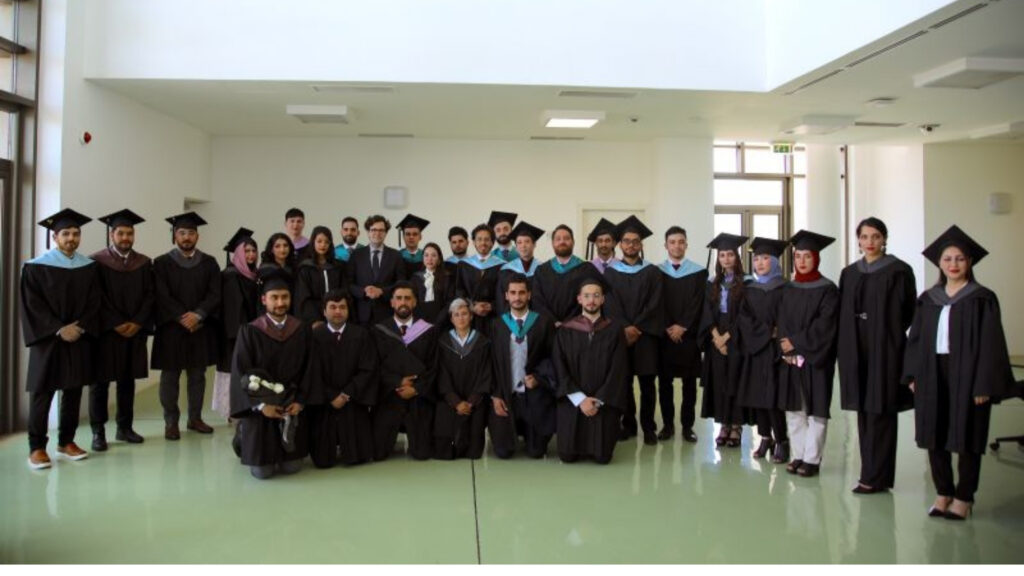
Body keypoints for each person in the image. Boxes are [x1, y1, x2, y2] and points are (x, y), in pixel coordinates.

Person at [904, 225, 1015, 520]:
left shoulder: (981, 298)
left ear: (969, 262)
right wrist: (913, 375)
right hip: (932, 372)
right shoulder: (929, 298)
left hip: (970, 373)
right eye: (947, 259)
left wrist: (984, 385)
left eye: (960, 259)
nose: (953, 264)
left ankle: (964, 497)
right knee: (934, 433)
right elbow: (916, 339)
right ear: (939, 263)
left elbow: (992, 344)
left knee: (969, 435)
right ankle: (943, 493)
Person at [837, 217, 917, 494]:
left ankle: (875, 477)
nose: (870, 242)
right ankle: (869, 473)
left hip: (885, 348)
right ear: (858, 240)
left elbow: (908, 312)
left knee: (881, 409)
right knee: (864, 409)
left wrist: (885, 333)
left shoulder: (899, 270)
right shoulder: (850, 273)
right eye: (864, 237)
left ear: (884, 239)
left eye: (876, 236)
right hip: (855, 347)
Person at [22, 209, 100, 469]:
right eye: (65, 234)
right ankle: (36, 447)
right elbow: (32, 305)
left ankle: (66, 442)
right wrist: (58, 329)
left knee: (73, 390)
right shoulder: (36, 267)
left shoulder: (88, 267)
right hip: (48, 339)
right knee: (42, 392)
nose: (71, 238)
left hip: (78, 336)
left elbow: (95, 302)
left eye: (76, 233)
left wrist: (80, 327)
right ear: (55, 237)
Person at [230, 267, 311, 479]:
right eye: (274, 297)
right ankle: (242, 434)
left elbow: (310, 368)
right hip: (261, 408)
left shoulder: (301, 330)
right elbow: (240, 372)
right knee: (262, 473)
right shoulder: (250, 331)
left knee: (292, 468)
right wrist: (260, 406)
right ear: (264, 300)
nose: (280, 303)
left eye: (285, 297)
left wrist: (300, 401)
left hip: (290, 404)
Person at [88, 209, 153, 451]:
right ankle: (98, 432)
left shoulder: (143, 263)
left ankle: (124, 428)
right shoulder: (96, 262)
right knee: (100, 384)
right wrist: (115, 322)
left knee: (127, 381)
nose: (126, 238)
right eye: (121, 233)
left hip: (134, 331)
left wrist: (137, 322)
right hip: (106, 332)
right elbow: (95, 297)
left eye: (130, 233)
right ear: (111, 234)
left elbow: (150, 295)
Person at [152, 212, 221, 440]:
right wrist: (183, 317)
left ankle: (195, 418)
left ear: (197, 236)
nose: (187, 237)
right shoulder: (162, 263)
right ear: (175, 236)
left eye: (191, 233)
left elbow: (215, 294)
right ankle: (171, 422)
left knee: (198, 375)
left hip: (199, 327)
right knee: (170, 377)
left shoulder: (209, 263)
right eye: (182, 233)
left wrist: (198, 315)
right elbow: (161, 295)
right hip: (172, 328)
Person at [776, 230, 839, 478]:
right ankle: (798, 455)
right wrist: (786, 347)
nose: (802, 261)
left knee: (817, 410)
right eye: (798, 256)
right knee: (794, 409)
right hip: (791, 357)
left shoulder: (828, 289)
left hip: (817, 358)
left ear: (816, 258)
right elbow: (782, 319)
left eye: (807, 256)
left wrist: (796, 342)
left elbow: (826, 324)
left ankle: (812, 459)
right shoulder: (789, 288)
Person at [553, 277, 630, 464]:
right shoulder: (566, 330)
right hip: (573, 401)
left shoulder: (614, 330)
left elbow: (618, 369)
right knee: (567, 456)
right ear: (579, 299)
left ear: (603, 299)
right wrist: (580, 399)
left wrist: (598, 400)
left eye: (596, 296)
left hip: (603, 402)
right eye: (587, 296)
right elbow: (559, 367)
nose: (591, 300)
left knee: (602, 457)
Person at [603, 216, 663, 445]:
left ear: (641, 244)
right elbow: (610, 304)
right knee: (624, 382)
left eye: (635, 241)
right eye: (626, 241)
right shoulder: (610, 273)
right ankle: (628, 424)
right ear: (620, 244)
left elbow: (655, 303)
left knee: (647, 384)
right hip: (622, 335)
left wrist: (636, 326)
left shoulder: (652, 272)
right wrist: (625, 327)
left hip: (646, 336)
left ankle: (648, 427)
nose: (630, 245)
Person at [304, 289, 379, 468]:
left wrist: (346, 394)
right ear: (324, 311)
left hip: (352, 399)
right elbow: (311, 372)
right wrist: (331, 395)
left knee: (357, 457)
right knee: (323, 462)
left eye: (342, 307)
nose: (338, 311)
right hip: (324, 401)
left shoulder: (361, 335)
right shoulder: (314, 336)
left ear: (348, 310)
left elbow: (368, 369)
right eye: (333, 307)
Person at [488, 273, 557, 459]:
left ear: (529, 295)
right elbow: (491, 362)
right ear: (506, 296)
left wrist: (539, 379)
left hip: (533, 394)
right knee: (503, 452)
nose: (517, 297)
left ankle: (529, 432)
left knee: (536, 452)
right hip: (506, 393)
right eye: (513, 293)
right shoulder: (497, 325)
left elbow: (552, 358)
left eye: (521, 293)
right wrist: (495, 395)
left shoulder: (543, 323)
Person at [371, 281, 438, 461]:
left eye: (407, 298)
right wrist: (397, 382)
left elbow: (434, 366)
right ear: (392, 302)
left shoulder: (428, 330)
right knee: (378, 453)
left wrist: (415, 389)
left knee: (422, 454)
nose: (403, 302)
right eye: (399, 298)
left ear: (414, 302)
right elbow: (374, 366)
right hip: (389, 395)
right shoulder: (379, 330)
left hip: (419, 396)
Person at [737, 237, 790, 462]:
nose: (759, 263)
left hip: (777, 352)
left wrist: (779, 332)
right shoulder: (750, 289)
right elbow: (743, 317)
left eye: (765, 258)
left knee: (773, 398)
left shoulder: (786, 288)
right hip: (756, 349)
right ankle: (765, 437)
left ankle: (782, 440)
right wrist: (767, 332)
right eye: (756, 259)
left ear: (776, 261)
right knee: (758, 396)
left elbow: (790, 315)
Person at [656, 226, 708, 443]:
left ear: (686, 244)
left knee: (689, 384)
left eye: (680, 242)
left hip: (689, 336)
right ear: (666, 245)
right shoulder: (657, 272)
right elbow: (656, 302)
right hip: (665, 336)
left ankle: (688, 426)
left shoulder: (699, 273)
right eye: (672, 242)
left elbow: (699, 303)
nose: (676, 246)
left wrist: (683, 326)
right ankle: (667, 425)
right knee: (664, 384)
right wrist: (669, 327)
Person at [699, 233, 750, 449]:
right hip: (716, 336)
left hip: (737, 338)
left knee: (735, 381)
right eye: (722, 255)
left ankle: (736, 426)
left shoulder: (747, 283)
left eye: (730, 254)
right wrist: (716, 337)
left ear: (737, 257)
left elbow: (746, 314)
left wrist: (727, 337)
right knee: (719, 381)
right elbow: (706, 312)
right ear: (718, 259)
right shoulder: (712, 283)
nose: (726, 259)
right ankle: (723, 425)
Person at [434, 299, 493, 460]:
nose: (461, 318)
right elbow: (441, 374)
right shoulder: (443, 342)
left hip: (475, 401)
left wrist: (471, 402)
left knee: (474, 453)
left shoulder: (482, 342)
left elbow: (485, 374)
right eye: (457, 315)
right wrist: (455, 401)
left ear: (471, 316)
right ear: (451, 319)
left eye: (464, 314)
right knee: (445, 453)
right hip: (449, 400)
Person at [214, 228, 260, 422]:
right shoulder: (231, 275)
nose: (251, 255)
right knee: (233, 370)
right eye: (246, 251)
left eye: (253, 250)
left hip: (248, 331)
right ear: (238, 254)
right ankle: (232, 410)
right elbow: (234, 309)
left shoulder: (251, 274)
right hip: (235, 334)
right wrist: (242, 333)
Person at [532, 225, 601, 325]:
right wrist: (553, 321)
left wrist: (569, 322)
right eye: (558, 239)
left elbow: (591, 298)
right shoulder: (542, 271)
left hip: (578, 326)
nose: (562, 241)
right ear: (553, 243)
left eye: (566, 238)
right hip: (549, 326)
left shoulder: (586, 269)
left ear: (573, 242)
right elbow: (537, 300)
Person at [348, 215, 407, 325]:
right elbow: (349, 283)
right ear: (368, 232)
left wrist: (382, 291)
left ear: (386, 233)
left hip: (387, 314)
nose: (377, 233)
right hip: (361, 314)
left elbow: (401, 284)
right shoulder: (356, 255)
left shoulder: (396, 256)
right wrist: (363, 291)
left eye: (381, 230)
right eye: (373, 230)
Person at [456, 224, 506, 334]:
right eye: (479, 239)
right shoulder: (463, 265)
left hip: (493, 318)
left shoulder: (502, 266)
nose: (483, 243)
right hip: (469, 317)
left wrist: (491, 306)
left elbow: (504, 293)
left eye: (487, 239)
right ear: (474, 242)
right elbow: (459, 290)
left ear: (492, 243)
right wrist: (472, 306)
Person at [295, 226, 348, 326]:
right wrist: (315, 319)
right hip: (314, 318)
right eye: (319, 241)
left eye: (326, 242)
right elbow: (304, 297)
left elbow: (344, 292)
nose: (323, 245)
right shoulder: (305, 268)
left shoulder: (338, 267)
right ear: (313, 242)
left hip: (337, 314)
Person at [495, 221, 544, 315]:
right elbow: (501, 300)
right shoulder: (506, 270)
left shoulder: (542, 269)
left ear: (534, 244)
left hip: (537, 318)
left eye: (527, 242)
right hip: (512, 318)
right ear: (516, 247)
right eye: (519, 242)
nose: (523, 246)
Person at [412, 242, 455, 327]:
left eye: (433, 255)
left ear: (439, 259)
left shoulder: (447, 277)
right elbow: (413, 300)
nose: (429, 259)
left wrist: (440, 319)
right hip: (420, 318)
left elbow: (450, 302)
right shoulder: (416, 277)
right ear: (422, 258)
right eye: (426, 255)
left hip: (442, 318)